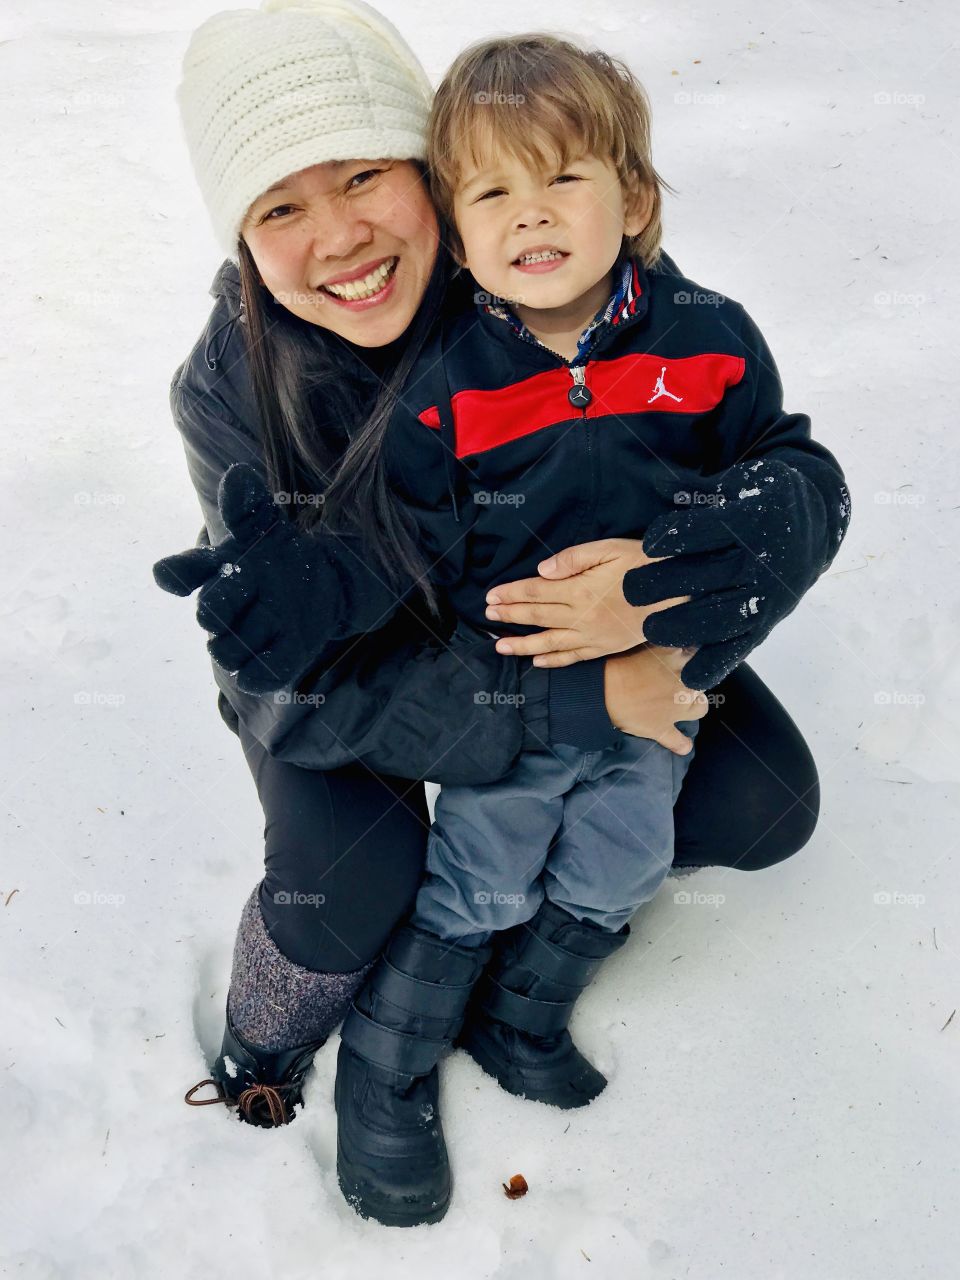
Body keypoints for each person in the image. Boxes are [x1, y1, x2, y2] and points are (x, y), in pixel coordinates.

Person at [151, 0, 850, 1229]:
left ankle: (523, 957)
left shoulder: (548, 265)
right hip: (357, 678)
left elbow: (761, 454)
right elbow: (300, 688)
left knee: (760, 798)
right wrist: (580, 692)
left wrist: (700, 573)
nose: (341, 237)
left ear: (436, 174)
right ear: (242, 236)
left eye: (365, 174)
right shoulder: (234, 384)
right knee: (357, 875)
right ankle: (277, 1043)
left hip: (557, 628)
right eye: (279, 207)